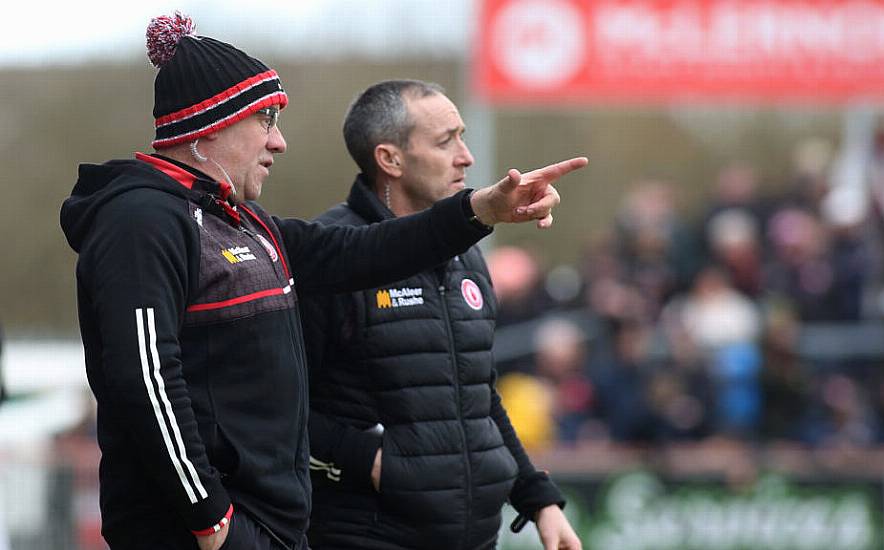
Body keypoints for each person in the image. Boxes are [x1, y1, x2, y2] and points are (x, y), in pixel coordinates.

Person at [59, 16, 586, 550]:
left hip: (277, 529)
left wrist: (480, 210)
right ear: (212, 124)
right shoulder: (142, 220)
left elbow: (362, 252)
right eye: (266, 119)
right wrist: (211, 518)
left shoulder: (245, 221)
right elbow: (145, 379)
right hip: (211, 532)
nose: (280, 142)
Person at [299, 80, 582, 550]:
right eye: (444, 140)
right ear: (389, 159)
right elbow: (279, 408)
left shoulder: (468, 256)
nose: (466, 156)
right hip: (365, 535)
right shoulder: (329, 258)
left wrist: (536, 498)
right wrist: (369, 460)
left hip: (473, 536)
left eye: (463, 136)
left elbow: (477, 395)